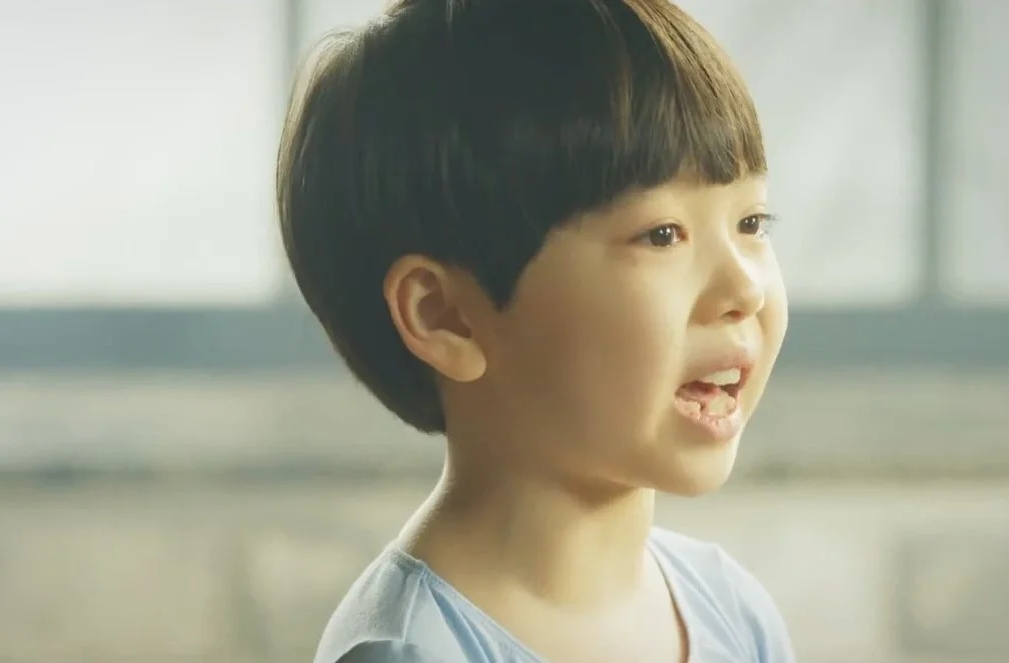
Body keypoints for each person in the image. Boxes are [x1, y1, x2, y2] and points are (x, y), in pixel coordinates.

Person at [277, 0, 793, 660]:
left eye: (752, 223)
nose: (746, 290)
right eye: (662, 234)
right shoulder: (414, 652)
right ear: (446, 316)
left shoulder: (736, 613)